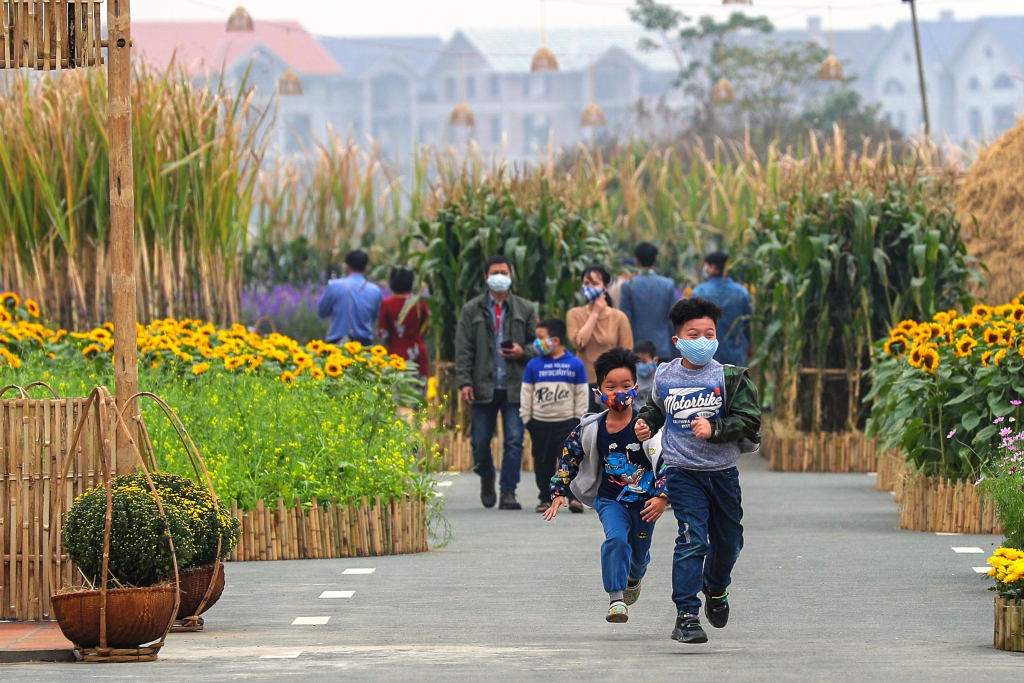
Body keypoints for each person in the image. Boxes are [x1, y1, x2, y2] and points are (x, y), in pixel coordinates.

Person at [634, 296, 761, 645]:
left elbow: (752, 421)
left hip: (722, 473)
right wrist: (645, 424)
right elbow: (654, 411)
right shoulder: (664, 375)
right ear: (678, 340)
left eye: (710, 333)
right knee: (692, 540)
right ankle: (686, 615)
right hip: (682, 471)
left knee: (730, 542)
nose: (703, 340)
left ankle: (716, 588)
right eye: (695, 333)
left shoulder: (731, 377)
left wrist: (716, 428)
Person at [544, 348, 668, 624]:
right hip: (610, 499)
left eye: (625, 386)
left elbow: (667, 460)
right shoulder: (590, 428)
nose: (619, 393)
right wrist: (558, 493)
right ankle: (615, 599)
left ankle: (634, 578)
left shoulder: (648, 427)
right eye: (611, 387)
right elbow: (569, 459)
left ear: (636, 388)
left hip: (646, 503)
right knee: (616, 539)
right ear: (598, 391)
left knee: (638, 556)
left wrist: (662, 495)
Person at [455, 255, 537, 510]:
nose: (499, 276)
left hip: (515, 385)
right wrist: (464, 381)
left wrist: (522, 351)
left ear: (511, 275)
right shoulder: (472, 310)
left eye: (504, 271)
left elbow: (540, 345)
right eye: (494, 272)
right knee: (479, 441)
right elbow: (464, 349)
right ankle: (487, 477)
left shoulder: (526, 308)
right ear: (486, 277)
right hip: (483, 385)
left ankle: (508, 491)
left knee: (514, 439)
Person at [520, 318, 588, 513]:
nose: (537, 342)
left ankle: (574, 497)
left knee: (570, 460)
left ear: (556, 340)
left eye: (541, 338)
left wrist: (578, 419)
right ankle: (544, 497)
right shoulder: (533, 365)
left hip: (567, 422)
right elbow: (526, 393)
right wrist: (528, 419)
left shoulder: (575, 364)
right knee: (542, 462)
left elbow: (581, 394)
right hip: (540, 423)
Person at [566, 266, 633, 413]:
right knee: (587, 429)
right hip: (583, 383)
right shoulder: (575, 314)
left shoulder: (619, 318)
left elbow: (627, 354)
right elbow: (579, 342)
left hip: (611, 386)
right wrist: (594, 314)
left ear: (606, 287)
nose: (589, 287)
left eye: (594, 283)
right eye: (586, 283)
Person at [691, 252, 752, 367]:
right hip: (734, 352)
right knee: (733, 382)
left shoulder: (699, 292)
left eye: (707, 266)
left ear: (713, 268)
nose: (705, 269)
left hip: (706, 353)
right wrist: (750, 345)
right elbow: (747, 324)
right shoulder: (741, 292)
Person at [619, 242, 677, 362]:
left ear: (636, 261)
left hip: (636, 348)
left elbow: (625, 320)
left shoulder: (628, 286)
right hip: (662, 348)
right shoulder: (667, 285)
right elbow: (674, 320)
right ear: (655, 260)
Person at [317, 250, 382, 346]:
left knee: (346, 362)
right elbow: (374, 317)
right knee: (355, 362)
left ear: (346, 266)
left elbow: (322, 312)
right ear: (365, 268)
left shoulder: (334, 286)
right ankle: (354, 362)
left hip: (338, 346)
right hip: (363, 347)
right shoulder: (376, 291)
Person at [377, 267, 430, 380]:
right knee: (417, 394)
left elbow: (383, 334)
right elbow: (426, 330)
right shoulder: (420, 303)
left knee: (398, 393)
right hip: (418, 356)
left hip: (396, 356)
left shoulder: (386, 304)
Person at [633, 339, 660, 410]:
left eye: (643, 362)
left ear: (655, 360)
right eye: (637, 362)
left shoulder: (660, 379)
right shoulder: (631, 378)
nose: (640, 365)